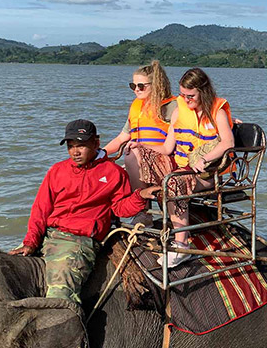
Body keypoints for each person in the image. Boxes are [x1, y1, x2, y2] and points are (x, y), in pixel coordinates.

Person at [9, 119, 158, 305]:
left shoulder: (113, 173)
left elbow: (120, 208)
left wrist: (141, 195)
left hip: (79, 241)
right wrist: (30, 242)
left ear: (96, 143)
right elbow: (40, 209)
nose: (75, 152)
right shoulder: (57, 170)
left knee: (60, 298)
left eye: (81, 145)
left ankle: (72, 328)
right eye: (70, 146)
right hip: (49, 235)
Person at [134, 68, 235, 268]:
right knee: (137, 154)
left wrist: (204, 159)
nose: (186, 100)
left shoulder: (217, 112)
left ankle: (181, 245)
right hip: (182, 168)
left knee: (173, 182)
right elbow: (166, 147)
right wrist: (141, 146)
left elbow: (228, 143)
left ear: (203, 92)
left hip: (205, 173)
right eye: (183, 95)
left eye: (191, 96)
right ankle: (142, 212)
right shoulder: (180, 111)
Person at [103, 60, 178, 191]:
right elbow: (122, 138)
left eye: (141, 86)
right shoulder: (137, 107)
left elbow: (170, 147)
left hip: (165, 159)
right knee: (106, 174)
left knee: (133, 153)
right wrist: (100, 153)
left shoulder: (172, 107)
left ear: (156, 85)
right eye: (133, 86)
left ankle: (140, 205)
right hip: (139, 159)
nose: (136, 90)